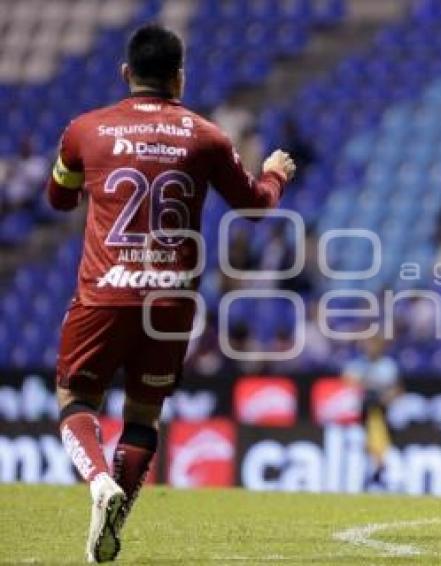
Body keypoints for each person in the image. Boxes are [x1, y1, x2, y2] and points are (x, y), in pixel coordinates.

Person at [47, 24, 295, 562]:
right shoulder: (207, 136)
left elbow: (57, 199)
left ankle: (97, 481)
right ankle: (112, 519)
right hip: (172, 303)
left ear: (124, 72)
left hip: (105, 293)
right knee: (143, 414)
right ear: (180, 77)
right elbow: (254, 206)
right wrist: (275, 174)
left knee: (76, 399)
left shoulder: (84, 130)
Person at [342, 334, 404, 490]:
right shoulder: (356, 365)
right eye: (368, 344)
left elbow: (397, 390)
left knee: (378, 429)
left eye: (374, 344)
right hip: (357, 417)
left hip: (382, 415)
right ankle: (368, 474)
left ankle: (380, 472)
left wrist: (385, 396)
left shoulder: (388, 366)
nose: (371, 348)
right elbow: (346, 385)